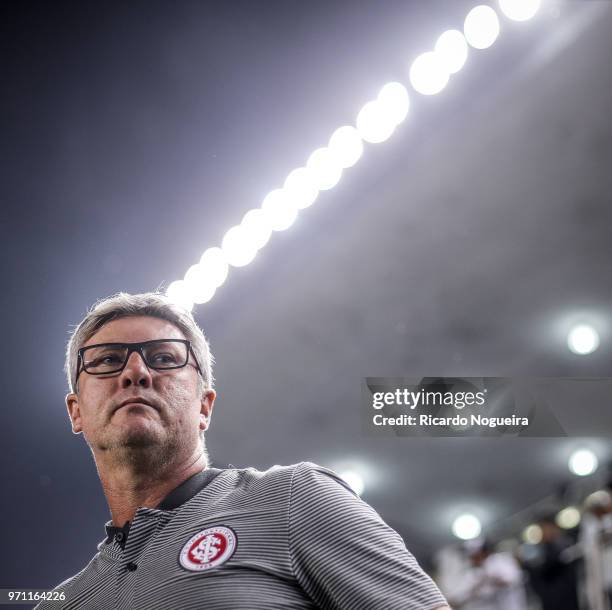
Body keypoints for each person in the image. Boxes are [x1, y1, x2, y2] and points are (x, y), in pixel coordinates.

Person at [35, 291, 450, 610]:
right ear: (76, 413)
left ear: (204, 405)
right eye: (107, 360)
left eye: (163, 357)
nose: (136, 372)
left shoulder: (295, 499)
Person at [440, 538, 528, 610]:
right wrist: (475, 589)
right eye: (471, 556)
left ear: (483, 552)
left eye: (475, 554)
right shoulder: (473, 573)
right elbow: (456, 599)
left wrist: (489, 579)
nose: (473, 558)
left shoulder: (502, 560)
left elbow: (513, 579)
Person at [521, 514, 580, 610]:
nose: (543, 532)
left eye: (544, 528)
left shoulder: (564, 543)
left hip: (566, 598)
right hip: (551, 599)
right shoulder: (543, 548)